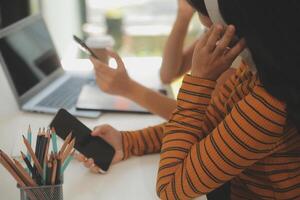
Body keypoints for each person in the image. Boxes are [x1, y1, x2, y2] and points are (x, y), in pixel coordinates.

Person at [78, 0, 300, 199]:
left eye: (212, 26)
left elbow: (169, 188)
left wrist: (200, 80)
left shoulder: (269, 106)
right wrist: (128, 142)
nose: (209, 34)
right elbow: (210, 123)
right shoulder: (256, 74)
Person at [90, 0, 236, 120]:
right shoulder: (217, 29)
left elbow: (202, 120)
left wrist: (128, 88)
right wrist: (183, 14)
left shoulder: (233, 45)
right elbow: (168, 74)